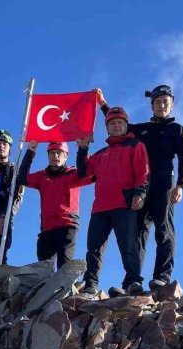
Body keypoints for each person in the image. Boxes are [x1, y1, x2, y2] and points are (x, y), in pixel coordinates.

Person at [97, 85, 183, 288]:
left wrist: (181, 185)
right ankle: (133, 281)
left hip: (164, 184)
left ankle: (162, 277)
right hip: (140, 186)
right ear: (152, 106)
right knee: (137, 232)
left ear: (172, 105)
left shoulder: (177, 130)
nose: (161, 105)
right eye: (157, 102)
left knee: (164, 230)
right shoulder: (142, 130)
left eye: (165, 102)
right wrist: (103, 105)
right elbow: (121, 125)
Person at [76, 106, 149, 296]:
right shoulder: (100, 154)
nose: (116, 126)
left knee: (128, 245)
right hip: (100, 208)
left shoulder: (135, 145)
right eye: (112, 123)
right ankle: (90, 283)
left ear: (126, 125)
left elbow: (143, 172)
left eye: (120, 123)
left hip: (124, 204)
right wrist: (83, 149)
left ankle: (133, 281)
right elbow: (83, 173)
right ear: (107, 128)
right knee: (93, 247)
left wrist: (140, 193)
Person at [17, 141, 93, 270]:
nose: (55, 156)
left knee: (64, 266)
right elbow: (22, 178)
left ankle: (67, 289)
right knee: (43, 269)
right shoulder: (42, 177)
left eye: (59, 153)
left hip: (67, 225)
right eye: (52, 153)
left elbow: (89, 174)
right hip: (47, 228)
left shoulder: (73, 174)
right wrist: (31, 151)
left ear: (66, 155)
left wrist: (83, 151)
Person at [0, 129, 24, 266]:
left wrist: (4, 216)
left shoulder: (15, 170)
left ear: (9, 149)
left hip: (4, 219)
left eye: (5, 144)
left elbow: (17, 197)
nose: (1, 147)